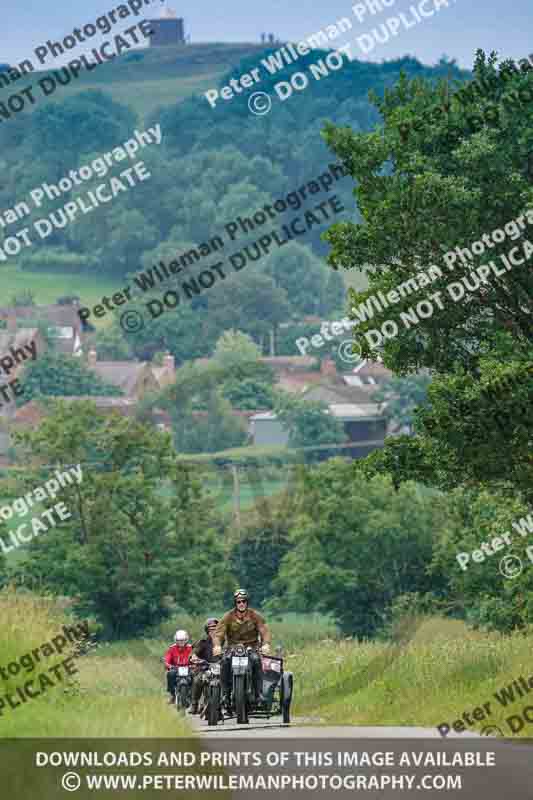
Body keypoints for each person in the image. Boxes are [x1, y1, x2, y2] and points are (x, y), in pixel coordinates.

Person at [212, 589, 272, 708]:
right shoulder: (228, 616)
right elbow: (218, 633)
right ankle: (225, 694)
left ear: (247, 602)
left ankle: (259, 693)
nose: (241, 604)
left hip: (252, 648)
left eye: (244, 601)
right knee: (224, 661)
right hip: (233, 648)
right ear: (235, 603)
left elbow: (264, 631)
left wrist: (266, 644)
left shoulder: (255, 615)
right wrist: (217, 645)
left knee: (256, 661)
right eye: (239, 601)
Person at [189, 617, 219, 715]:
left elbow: (232, 650)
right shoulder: (203, 642)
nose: (213, 630)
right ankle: (194, 704)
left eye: (215, 628)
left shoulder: (224, 642)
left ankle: (234, 702)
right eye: (211, 629)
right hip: (206, 668)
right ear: (207, 630)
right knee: (198, 680)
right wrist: (194, 657)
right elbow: (195, 652)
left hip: (221, 669)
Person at [164, 629, 192, 704]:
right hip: (176, 669)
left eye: (183, 640)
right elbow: (167, 659)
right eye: (179, 640)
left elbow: (195, 657)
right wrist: (168, 665)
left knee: (196, 677)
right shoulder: (172, 648)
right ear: (176, 640)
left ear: (186, 640)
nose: (181, 642)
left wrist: (195, 664)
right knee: (170, 674)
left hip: (189, 669)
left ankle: (195, 697)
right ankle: (172, 694)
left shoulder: (191, 648)